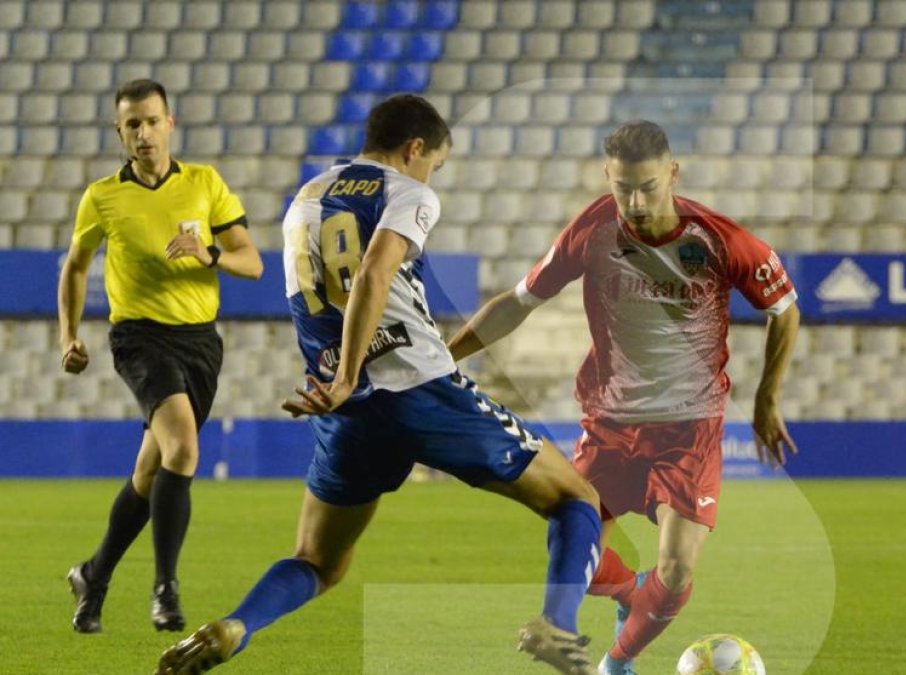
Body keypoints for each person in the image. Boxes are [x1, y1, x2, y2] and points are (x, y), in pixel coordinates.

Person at [155, 95, 602, 675]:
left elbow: (315, 302)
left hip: (348, 413)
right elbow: (374, 271)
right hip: (417, 391)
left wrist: (341, 381)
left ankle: (237, 626)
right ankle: (557, 627)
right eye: (434, 164)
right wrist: (349, 374)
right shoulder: (408, 192)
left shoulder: (306, 198)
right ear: (415, 149)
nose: (431, 175)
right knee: (577, 500)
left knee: (317, 561)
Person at [448, 120, 801, 674]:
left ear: (673, 174)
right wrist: (443, 359)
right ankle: (631, 592)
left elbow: (784, 307)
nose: (634, 203)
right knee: (574, 560)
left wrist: (766, 400)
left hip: (691, 428)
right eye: (622, 188)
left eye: (648, 187)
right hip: (610, 423)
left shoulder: (718, 239)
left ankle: (617, 662)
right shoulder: (592, 230)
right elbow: (518, 302)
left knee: (678, 572)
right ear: (607, 179)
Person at [58, 79, 263, 634]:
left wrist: (210, 252)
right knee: (183, 447)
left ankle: (93, 576)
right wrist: (68, 335)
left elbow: (253, 262)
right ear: (119, 132)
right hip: (138, 338)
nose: (143, 133)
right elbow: (76, 266)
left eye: (151, 121)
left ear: (170, 123)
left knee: (151, 472)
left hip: (200, 342)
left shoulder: (205, 183)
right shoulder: (102, 196)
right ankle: (165, 590)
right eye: (132, 124)